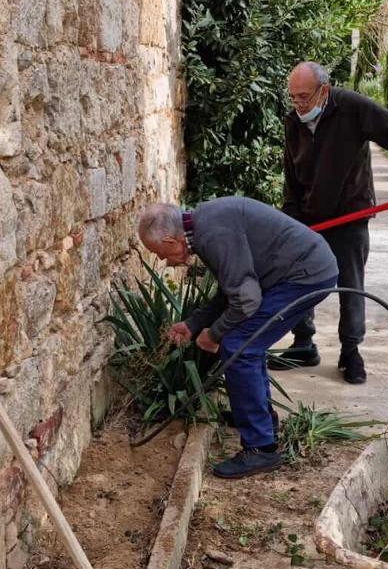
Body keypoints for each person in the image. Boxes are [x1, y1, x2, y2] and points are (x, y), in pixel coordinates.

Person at [138, 197, 338, 479]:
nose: (165, 262)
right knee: (246, 345)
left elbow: (245, 299)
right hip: (296, 270)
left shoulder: (213, 234)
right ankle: (261, 422)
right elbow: (231, 288)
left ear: (171, 242)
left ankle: (260, 448)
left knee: (238, 347)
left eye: (160, 254)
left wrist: (215, 333)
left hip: (304, 275)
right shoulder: (202, 226)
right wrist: (195, 323)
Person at [272, 61, 388, 384]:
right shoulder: (293, 121)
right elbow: (292, 175)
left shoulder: (352, 108)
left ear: (324, 91)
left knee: (350, 285)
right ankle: (303, 345)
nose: (299, 105)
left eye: (304, 97)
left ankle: (350, 352)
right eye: (293, 98)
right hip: (309, 216)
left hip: (350, 214)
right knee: (299, 282)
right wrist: (291, 218)